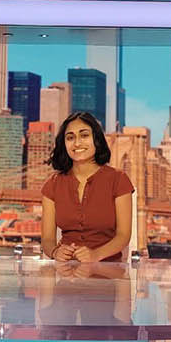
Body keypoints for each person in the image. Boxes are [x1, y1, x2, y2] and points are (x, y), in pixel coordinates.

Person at [40, 111, 134, 262]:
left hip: (108, 275)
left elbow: (123, 236)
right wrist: (55, 252)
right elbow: (47, 239)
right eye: (70, 137)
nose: (77, 143)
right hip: (66, 275)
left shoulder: (119, 180)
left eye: (84, 135)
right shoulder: (52, 185)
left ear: (96, 139)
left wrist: (95, 255)